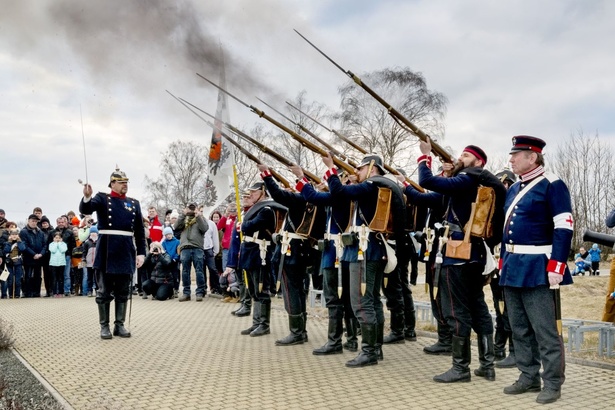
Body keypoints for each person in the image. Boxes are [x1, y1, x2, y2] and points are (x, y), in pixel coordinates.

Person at [407, 139, 505, 382]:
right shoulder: (470, 181)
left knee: (455, 310)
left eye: (466, 156)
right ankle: (487, 365)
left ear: (478, 162)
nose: (461, 158)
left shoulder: (470, 177)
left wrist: (425, 157)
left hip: (457, 254)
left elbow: (427, 181)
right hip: (473, 255)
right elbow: (431, 196)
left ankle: (461, 369)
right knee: (478, 308)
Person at [499, 136, 573, 404]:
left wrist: (557, 264)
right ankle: (527, 375)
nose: (511, 160)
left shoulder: (552, 185)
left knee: (545, 330)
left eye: (516, 155)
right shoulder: (514, 188)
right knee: (518, 327)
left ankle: (552, 382)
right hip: (513, 265)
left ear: (532, 157)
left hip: (539, 267)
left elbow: (564, 227)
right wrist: (502, 260)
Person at [321, 152, 406, 367]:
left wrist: (331, 169)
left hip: (364, 251)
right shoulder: (376, 187)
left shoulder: (371, 185)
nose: (356, 172)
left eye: (359, 168)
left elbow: (339, 192)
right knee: (372, 301)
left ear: (371, 167)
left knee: (361, 302)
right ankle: (375, 349)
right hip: (372, 251)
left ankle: (369, 351)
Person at [290, 164, 358, 355]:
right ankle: (351, 340)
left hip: (334, 254)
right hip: (339, 252)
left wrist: (301, 177)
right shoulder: (344, 196)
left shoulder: (340, 196)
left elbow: (312, 196)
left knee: (333, 300)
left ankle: (334, 341)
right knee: (345, 299)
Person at [259, 164, 324, 346]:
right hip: (302, 251)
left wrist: (266, 175)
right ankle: (299, 331)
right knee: (297, 291)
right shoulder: (313, 202)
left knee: (291, 292)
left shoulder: (300, 200)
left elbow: (278, 194)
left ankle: (297, 332)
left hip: (292, 252)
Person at [79, 166, 147, 339]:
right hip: (107, 248)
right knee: (104, 291)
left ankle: (119, 325)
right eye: (121, 182)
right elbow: (86, 209)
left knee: (123, 291)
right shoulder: (102, 198)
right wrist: (87, 196)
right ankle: (104, 326)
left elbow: (139, 231)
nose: (125, 185)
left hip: (125, 250)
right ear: (112, 183)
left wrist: (141, 253)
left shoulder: (134, 203)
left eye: (126, 182)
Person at [238, 182, 282, 337]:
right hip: (251, 253)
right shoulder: (256, 209)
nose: (251, 195)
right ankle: (256, 323)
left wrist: (244, 224)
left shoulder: (266, 210)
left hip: (260, 253)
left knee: (261, 289)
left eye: (254, 192)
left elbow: (249, 226)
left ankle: (264, 324)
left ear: (263, 192)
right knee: (253, 290)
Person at [490, 169, 518, 368]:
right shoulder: (495, 210)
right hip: (496, 264)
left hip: (512, 264)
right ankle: (498, 347)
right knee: (499, 308)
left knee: (512, 311)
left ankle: (514, 351)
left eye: (506, 184)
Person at [175, 203, 208, 302]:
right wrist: (183, 214)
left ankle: (200, 292)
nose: (191, 210)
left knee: (199, 271)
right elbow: (176, 227)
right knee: (185, 271)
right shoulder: (183, 219)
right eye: (190, 208)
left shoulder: (201, 219)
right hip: (185, 248)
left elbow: (204, 228)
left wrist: (198, 216)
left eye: (193, 208)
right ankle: (186, 293)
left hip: (197, 248)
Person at [20, 214, 47, 298]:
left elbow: (45, 245)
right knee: (28, 275)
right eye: (32, 221)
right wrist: (34, 254)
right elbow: (24, 246)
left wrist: (41, 254)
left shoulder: (40, 232)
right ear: (28, 221)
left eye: (35, 221)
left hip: (39, 258)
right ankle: (28, 292)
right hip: (29, 257)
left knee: (38, 276)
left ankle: (36, 292)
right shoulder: (24, 232)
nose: (34, 223)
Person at [2, 228, 26, 298]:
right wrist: (9, 242)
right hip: (9, 263)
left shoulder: (21, 242)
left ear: (18, 235)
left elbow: (22, 249)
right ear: (10, 235)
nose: (14, 236)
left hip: (18, 263)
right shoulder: (6, 243)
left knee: (18, 280)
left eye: (16, 234)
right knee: (10, 280)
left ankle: (17, 294)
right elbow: (5, 250)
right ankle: (11, 294)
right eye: (12, 234)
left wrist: (19, 242)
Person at [203, 209, 221, 296]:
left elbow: (215, 238)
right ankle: (203, 289)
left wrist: (215, 251)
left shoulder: (211, 224)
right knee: (201, 270)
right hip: (199, 250)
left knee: (213, 269)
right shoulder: (195, 223)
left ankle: (218, 288)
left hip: (209, 249)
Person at [161, 227, 180, 298]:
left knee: (175, 276)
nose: (168, 236)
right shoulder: (164, 243)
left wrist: (175, 258)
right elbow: (163, 251)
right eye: (166, 235)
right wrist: (167, 259)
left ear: (172, 234)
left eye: (169, 234)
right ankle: (169, 290)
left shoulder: (177, 242)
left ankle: (176, 289)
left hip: (174, 261)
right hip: (167, 261)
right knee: (168, 277)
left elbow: (178, 251)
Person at [48, 232, 68, 297]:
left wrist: (59, 244)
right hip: (53, 264)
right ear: (53, 238)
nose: (57, 239)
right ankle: (54, 292)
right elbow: (52, 250)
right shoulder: (51, 244)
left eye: (59, 238)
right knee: (54, 278)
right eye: (56, 238)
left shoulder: (64, 244)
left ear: (61, 238)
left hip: (61, 263)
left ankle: (61, 292)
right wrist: (56, 244)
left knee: (60, 278)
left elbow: (63, 250)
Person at [82, 225, 98, 297]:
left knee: (97, 278)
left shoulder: (99, 242)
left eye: (95, 232)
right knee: (89, 278)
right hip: (89, 263)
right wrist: (84, 259)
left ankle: (98, 290)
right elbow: (84, 252)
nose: (93, 234)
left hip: (97, 263)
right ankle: (89, 290)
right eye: (92, 232)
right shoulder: (87, 242)